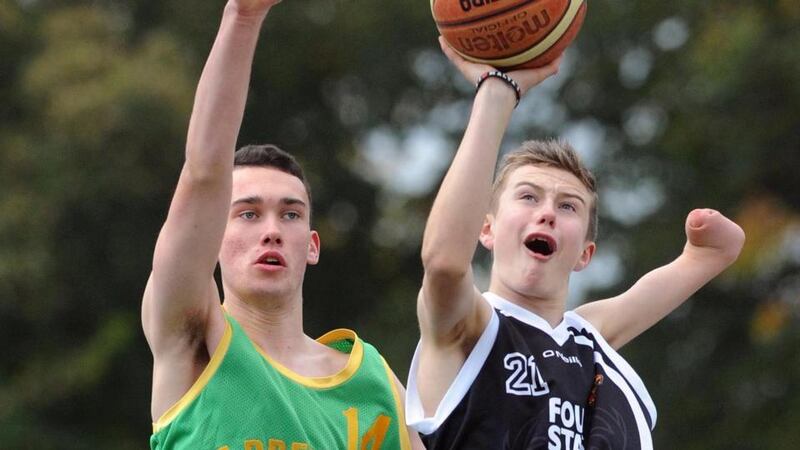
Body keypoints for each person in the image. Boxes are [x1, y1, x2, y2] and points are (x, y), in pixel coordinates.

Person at [405, 38, 746, 449]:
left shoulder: (587, 336)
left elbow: (650, 292)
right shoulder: (467, 327)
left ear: (585, 254)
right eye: (528, 196)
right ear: (487, 230)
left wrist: (709, 255)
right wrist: (497, 90)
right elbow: (443, 263)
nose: (547, 212)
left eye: (568, 206)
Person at [142, 1, 423, 448]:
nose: (271, 229)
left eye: (290, 214)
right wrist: (243, 15)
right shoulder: (192, 332)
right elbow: (203, 171)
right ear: (213, 232)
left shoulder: (373, 381)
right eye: (248, 213)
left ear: (312, 245)